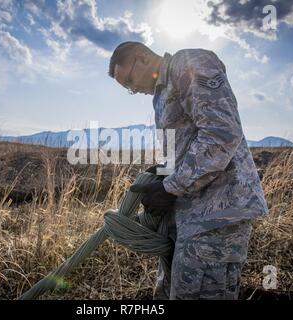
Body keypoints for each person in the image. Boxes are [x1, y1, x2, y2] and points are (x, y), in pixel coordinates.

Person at [107, 41, 269, 300]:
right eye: (128, 89)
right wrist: (162, 173)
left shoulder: (189, 63)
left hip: (216, 215)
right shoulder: (160, 96)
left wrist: (170, 188)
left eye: (129, 81)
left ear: (143, 58)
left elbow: (221, 134)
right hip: (189, 214)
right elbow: (182, 147)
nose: (134, 90)